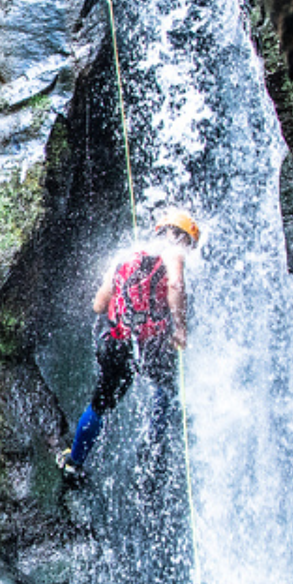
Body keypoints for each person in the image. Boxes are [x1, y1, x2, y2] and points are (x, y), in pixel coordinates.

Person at [57, 208, 201, 485]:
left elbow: (99, 304)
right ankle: (153, 451)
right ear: (181, 237)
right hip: (151, 344)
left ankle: (74, 462)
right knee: (167, 389)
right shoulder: (173, 253)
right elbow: (175, 283)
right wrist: (180, 327)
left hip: (117, 342)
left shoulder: (123, 257)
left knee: (100, 404)